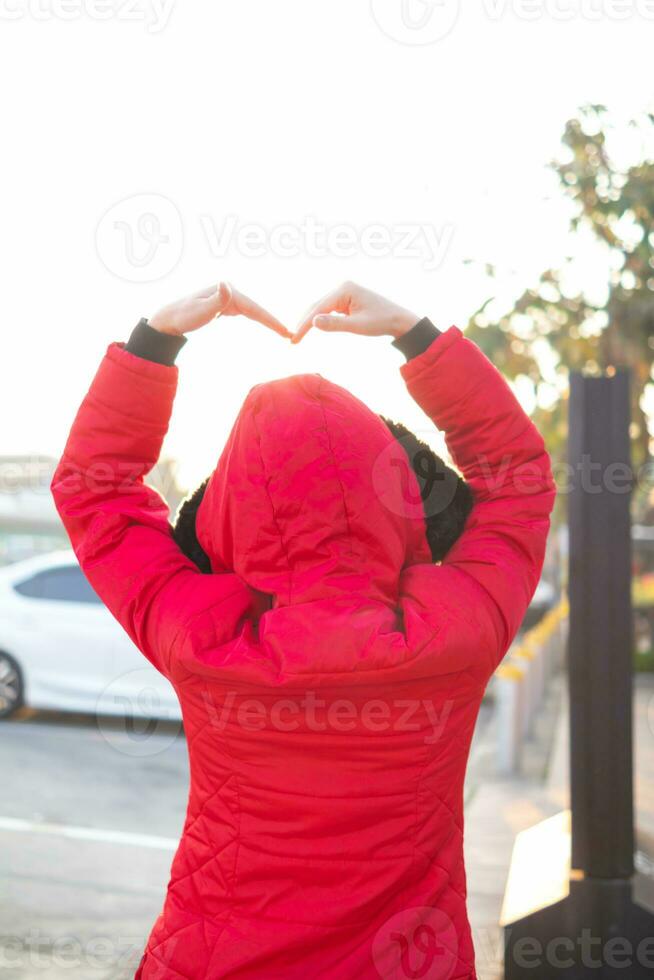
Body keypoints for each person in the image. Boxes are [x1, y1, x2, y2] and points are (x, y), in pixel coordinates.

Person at [51, 281, 555, 980]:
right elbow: (519, 481)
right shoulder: (454, 632)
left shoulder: (202, 637)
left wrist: (155, 340)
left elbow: (94, 493)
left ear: (227, 504)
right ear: (400, 492)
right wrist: (418, 337)